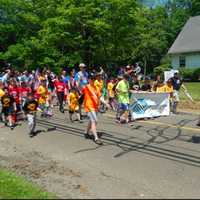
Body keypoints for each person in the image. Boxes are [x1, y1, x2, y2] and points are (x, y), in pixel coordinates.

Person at [82, 73, 103, 145]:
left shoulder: (96, 87)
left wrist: (104, 103)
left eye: (94, 79)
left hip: (95, 106)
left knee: (91, 120)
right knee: (95, 121)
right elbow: (79, 88)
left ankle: (86, 132)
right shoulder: (86, 87)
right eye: (91, 79)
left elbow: (99, 97)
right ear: (89, 80)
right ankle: (96, 138)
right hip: (89, 106)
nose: (93, 80)